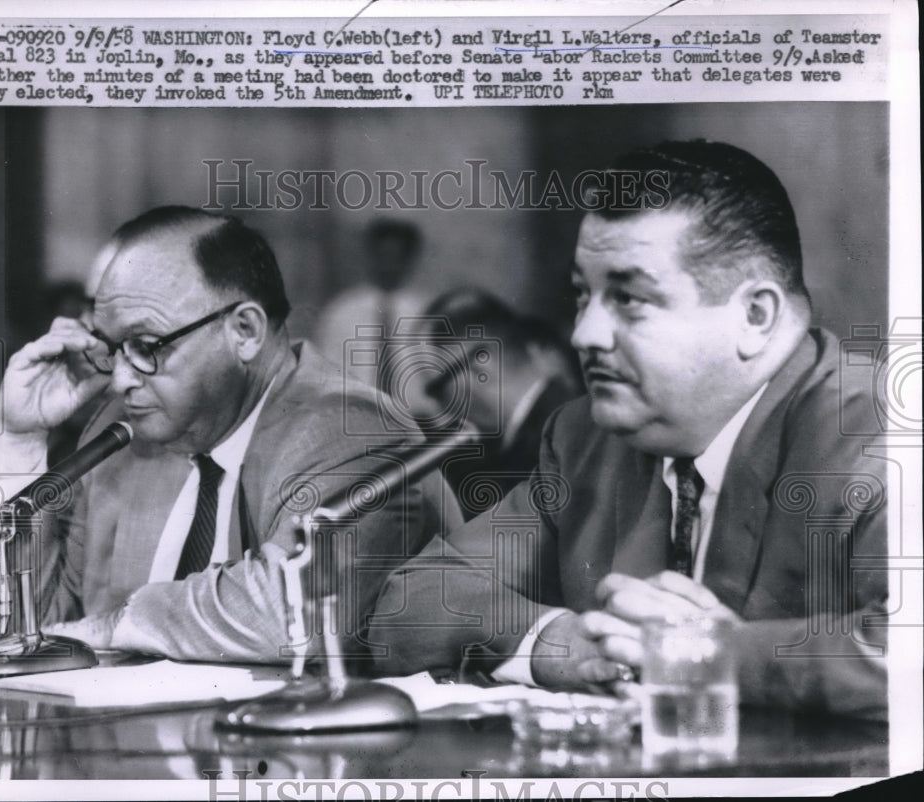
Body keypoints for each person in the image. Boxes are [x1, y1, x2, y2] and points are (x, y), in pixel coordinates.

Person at [369, 141, 888, 719]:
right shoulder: (582, 437)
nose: (585, 334)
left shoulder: (881, 435)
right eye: (582, 295)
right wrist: (555, 641)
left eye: (630, 299)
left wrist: (704, 657)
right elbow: (408, 604)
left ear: (755, 317)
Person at [0, 206, 454, 664]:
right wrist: (20, 440)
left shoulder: (354, 428)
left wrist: (120, 623)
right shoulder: (129, 437)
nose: (119, 379)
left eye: (146, 345)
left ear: (244, 330)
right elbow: (33, 630)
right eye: (112, 348)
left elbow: (292, 610)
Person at [418, 287, 582, 518]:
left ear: (480, 366)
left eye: (438, 389)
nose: (438, 407)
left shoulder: (553, 448)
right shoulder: (559, 426)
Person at [314, 218, 431, 388]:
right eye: (382, 256)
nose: (389, 265)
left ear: (410, 260)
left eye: (397, 257)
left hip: (412, 412)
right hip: (354, 409)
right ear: (370, 256)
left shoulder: (427, 314)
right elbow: (326, 371)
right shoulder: (340, 311)